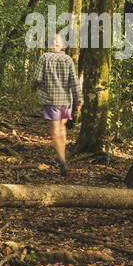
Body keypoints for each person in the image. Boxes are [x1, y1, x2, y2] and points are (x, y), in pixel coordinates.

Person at [32, 32, 82, 175]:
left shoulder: (44, 57)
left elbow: (36, 78)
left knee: (55, 130)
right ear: (61, 45)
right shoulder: (68, 59)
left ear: (50, 45)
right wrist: (79, 98)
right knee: (62, 128)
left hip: (50, 99)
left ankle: (61, 159)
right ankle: (62, 156)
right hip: (66, 100)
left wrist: (35, 87)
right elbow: (74, 80)